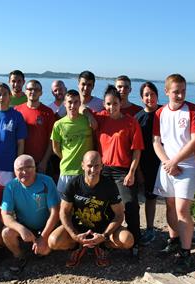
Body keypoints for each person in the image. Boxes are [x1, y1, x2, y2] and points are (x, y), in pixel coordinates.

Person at [48, 151, 134, 267]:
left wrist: (104, 235)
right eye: (89, 166)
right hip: (78, 228)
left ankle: (102, 247)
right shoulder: (73, 184)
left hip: (103, 228)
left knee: (127, 240)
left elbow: (119, 214)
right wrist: (74, 235)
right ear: (82, 165)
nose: (93, 170)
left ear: (102, 166)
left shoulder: (109, 185)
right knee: (53, 241)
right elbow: (64, 212)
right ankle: (77, 247)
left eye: (97, 165)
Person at [153, 74, 195, 272]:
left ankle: (185, 252)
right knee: (170, 205)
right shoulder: (159, 113)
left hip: (187, 165)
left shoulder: (192, 110)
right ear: (167, 92)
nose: (180, 95)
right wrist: (167, 162)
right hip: (167, 165)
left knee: (182, 209)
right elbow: (156, 142)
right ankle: (173, 239)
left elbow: (194, 140)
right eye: (176, 91)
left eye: (183, 91)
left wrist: (175, 161)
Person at [92, 85, 144, 257]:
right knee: (101, 205)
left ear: (120, 103)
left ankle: (135, 240)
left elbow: (137, 150)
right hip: (103, 170)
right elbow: (83, 111)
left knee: (130, 205)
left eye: (114, 103)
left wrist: (131, 172)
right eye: (107, 104)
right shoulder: (100, 118)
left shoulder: (130, 122)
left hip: (123, 171)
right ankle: (102, 240)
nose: (111, 107)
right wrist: (85, 111)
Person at [0, 155, 60, 272]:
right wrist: (21, 229)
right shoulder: (11, 186)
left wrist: (43, 237)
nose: (24, 172)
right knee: (6, 233)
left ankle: (39, 247)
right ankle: (19, 256)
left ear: (35, 168)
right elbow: (5, 215)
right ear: (14, 171)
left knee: (44, 251)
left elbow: (55, 212)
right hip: (25, 225)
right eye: (20, 169)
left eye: (28, 167)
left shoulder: (47, 181)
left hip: (45, 226)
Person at [51, 89, 94, 194]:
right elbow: (55, 148)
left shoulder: (87, 121)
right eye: (70, 102)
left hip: (85, 171)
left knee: (82, 207)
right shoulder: (58, 124)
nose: (73, 105)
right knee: (63, 206)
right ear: (64, 103)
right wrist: (67, 157)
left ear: (80, 103)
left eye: (76, 102)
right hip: (66, 170)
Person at [135, 82, 161, 245]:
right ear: (141, 98)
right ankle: (150, 228)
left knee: (173, 199)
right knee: (149, 197)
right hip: (146, 164)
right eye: (146, 95)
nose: (149, 97)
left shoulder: (165, 112)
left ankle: (180, 231)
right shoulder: (137, 118)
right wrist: (138, 170)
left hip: (166, 162)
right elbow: (135, 146)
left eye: (152, 94)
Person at [15, 80, 56, 174]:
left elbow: (52, 140)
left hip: (40, 162)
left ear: (41, 93)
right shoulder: (17, 110)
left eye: (36, 89)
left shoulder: (48, 112)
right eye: (30, 89)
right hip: (22, 161)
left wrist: (45, 161)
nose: (33, 92)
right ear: (25, 91)